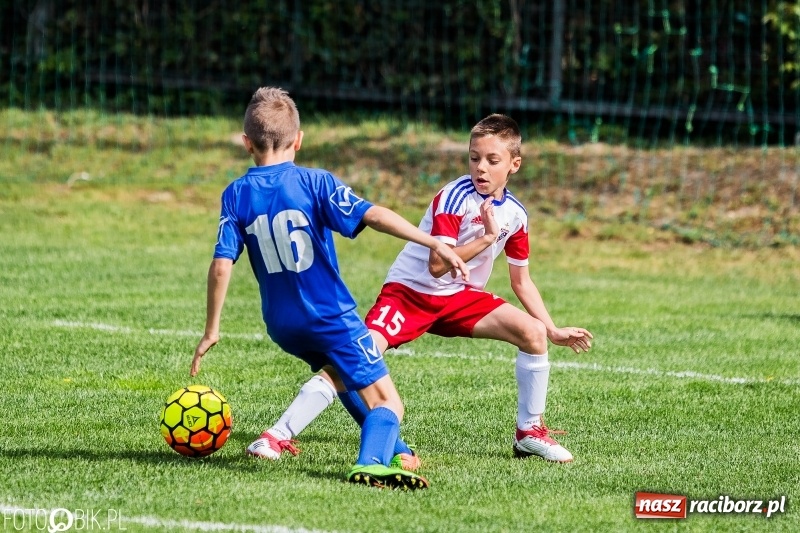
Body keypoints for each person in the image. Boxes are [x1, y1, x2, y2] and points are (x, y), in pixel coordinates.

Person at [253, 113, 593, 466]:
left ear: (514, 165)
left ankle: (529, 434)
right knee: (356, 359)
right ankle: (275, 436)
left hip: (459, 298)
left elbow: (521, 280)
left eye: (493, 160)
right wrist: (488, 238)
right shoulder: (453, 198)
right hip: (409, 294)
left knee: (533, 333)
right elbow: (437, 265)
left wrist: (552, 328)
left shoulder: (516, 214)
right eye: (475, 158)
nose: (481, 168)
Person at [189, 87, 470, 490]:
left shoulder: (235, 194)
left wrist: (212, 329)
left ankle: (395, 449)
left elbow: (221, 265)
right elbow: (373, 215)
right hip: (329, 315)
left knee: (345, 373)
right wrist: (433, 241)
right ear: (299, 139)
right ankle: (371, 463)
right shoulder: (314, 182)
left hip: (282, 324)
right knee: (390, 401)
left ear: (246, 142)